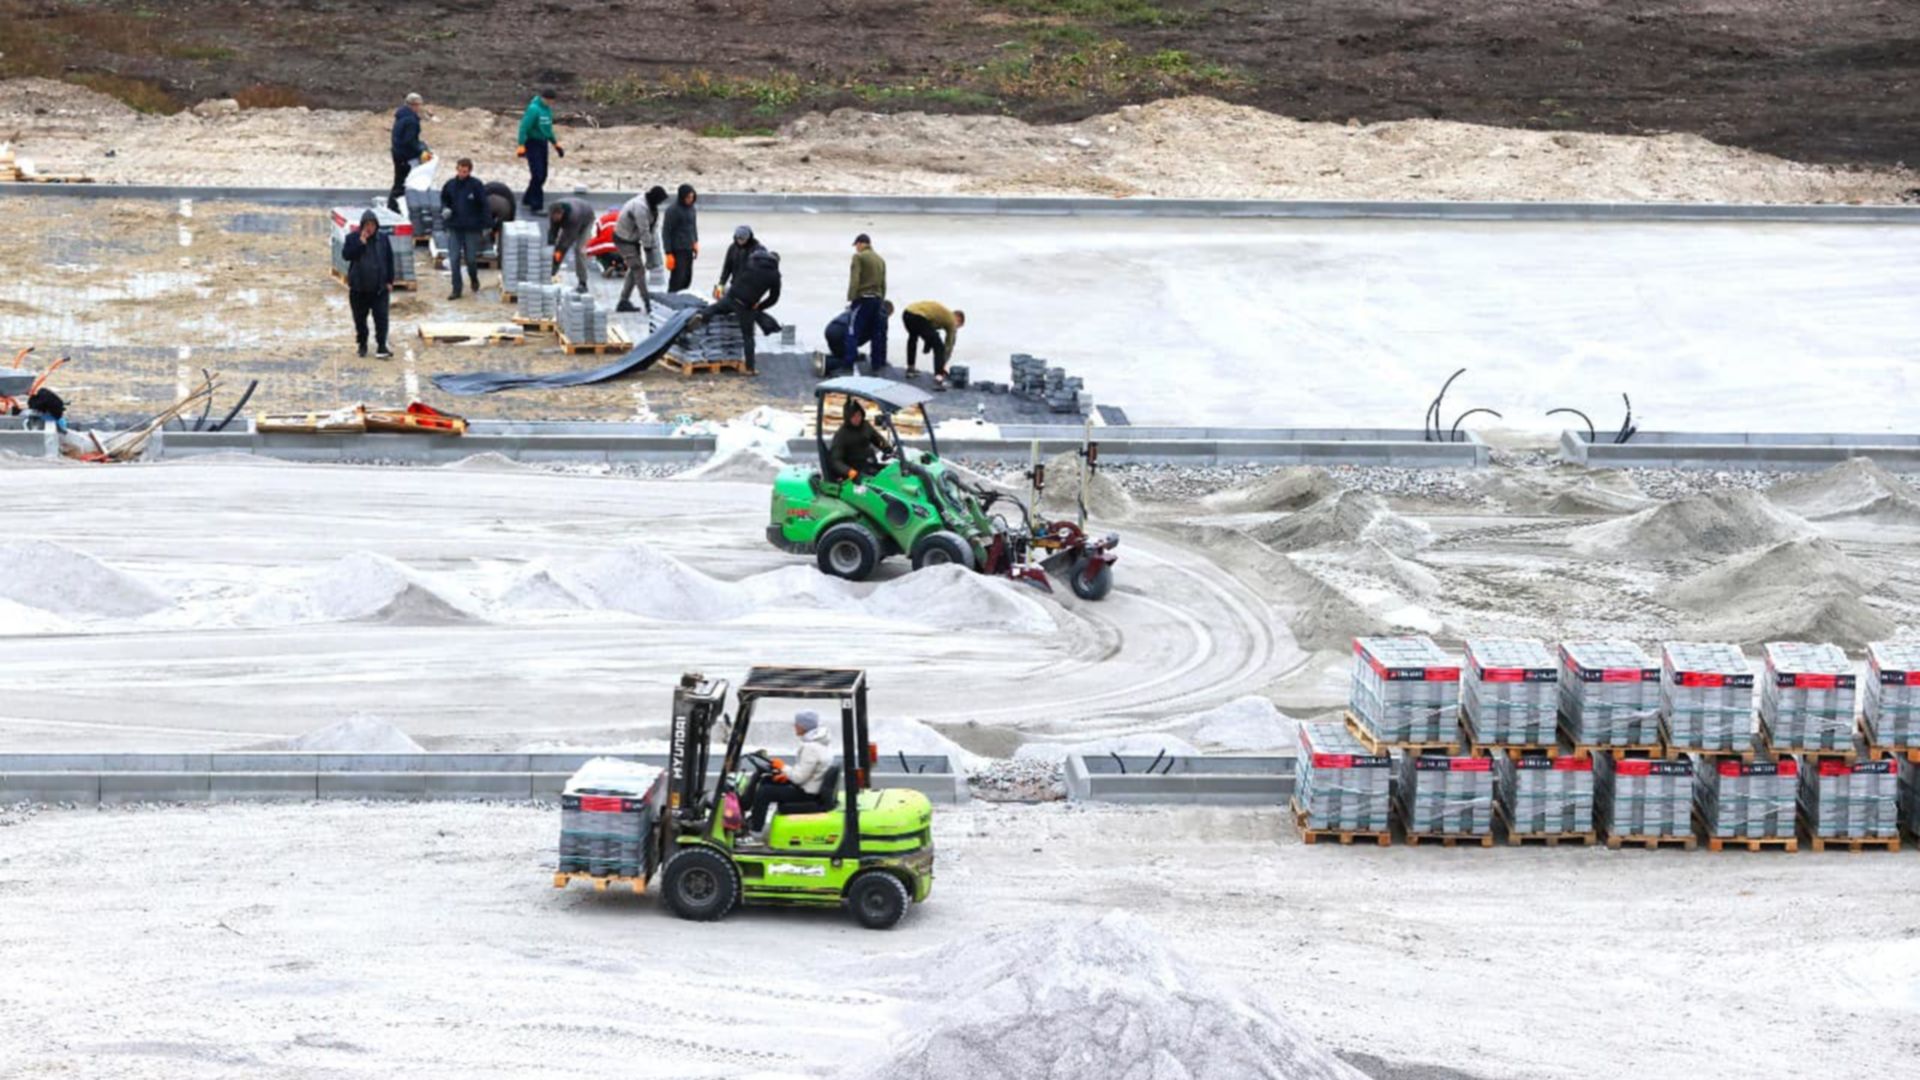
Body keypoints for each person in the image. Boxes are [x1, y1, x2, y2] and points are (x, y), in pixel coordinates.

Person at [744, 710, 835, 841]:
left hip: (807, 793)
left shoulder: (811, 748)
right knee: (767, 780)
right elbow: (806, 771)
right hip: (810, 786)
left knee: (764, 792)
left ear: (803, 726)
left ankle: (755, 832)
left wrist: (782, 766)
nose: (795, 726)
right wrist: (786, 775)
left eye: (797, 724)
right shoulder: (819, 744)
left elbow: (798, 778)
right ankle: (755, 820)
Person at [687, 246, 780, 373]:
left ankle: (702, 315)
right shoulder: (774, 275)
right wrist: (760, 306)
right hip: (746, 306)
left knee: (715, 308)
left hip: (732, 295)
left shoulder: (752, 262)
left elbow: (737, 273)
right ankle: (750, 368)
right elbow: (774, 298)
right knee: (748, 336)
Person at [341, 209, 394, 358]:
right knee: (360, 320)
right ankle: (362, 344)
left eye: (372, 225)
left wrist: (390, 280)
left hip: (379, 288)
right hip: (359, 289)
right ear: (362, 225)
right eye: (367, 225)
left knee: (382, 319)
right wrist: (360, 243)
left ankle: (381, 346)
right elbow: (346, 255)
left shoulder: (383, 239)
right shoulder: (352, 238)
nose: (370, 228)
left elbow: (389, 260)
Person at [613, 185, 667, 313]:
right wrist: (648, 250)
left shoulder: (652, 207)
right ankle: (647, 302)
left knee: (634, 270)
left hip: (632, 239)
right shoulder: (640, 207)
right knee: (638, 270)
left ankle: (623, 301)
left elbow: (652, 229)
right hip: (624, 239)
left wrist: (652, 250)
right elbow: (644, 230)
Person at [439, 158, 488, 300]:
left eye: (465, 172)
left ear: (470, 171)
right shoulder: (450, 185)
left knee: (471, 259)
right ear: (457, 169)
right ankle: (456, 289)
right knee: (454, 259)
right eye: (460, 171)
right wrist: (445, 209)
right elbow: (444, 200)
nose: (462, 174)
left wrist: (486, 225)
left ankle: (474, 278)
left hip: (471, 228)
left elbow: (484, 206)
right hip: (454, 227)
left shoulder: (476, 186)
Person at [844, 233, 888, 373]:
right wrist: (881, 300)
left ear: (861, 243)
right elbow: (883, 284)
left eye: (856, 245)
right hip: (877, 299)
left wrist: (852, 298)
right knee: (876, 333)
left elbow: (855, 279)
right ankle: (876, 364)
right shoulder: (880, 260)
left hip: (863, 299)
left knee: (852, 331)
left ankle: (849, 364)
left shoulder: (858, 257)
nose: (856, 248)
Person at [516, 90, 564, 213]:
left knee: (543, 175)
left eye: (552, 101)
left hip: (543, 143)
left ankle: (528, 198)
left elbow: (548, 129)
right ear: (544, 98)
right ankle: (536, 206)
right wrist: (521, 145)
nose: (550, 103)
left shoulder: (547, 110)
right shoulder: (534, 109)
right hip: (532, 143)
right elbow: (524, 127)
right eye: (549, 101)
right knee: (537, 174)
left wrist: (555, 144)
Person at [902, 301, 966, 389]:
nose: (956, 329)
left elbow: (928, 329)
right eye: (958, 326)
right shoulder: (951, 320)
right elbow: (949, 345)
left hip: (907, 313)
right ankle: (939, 378)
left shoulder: (942, 315)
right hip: (918, 317)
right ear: (958, 319)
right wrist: (942, 365)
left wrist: (927, 346)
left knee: (913, 337)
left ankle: (910, 369)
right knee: (939, 347)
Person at [821, 301, 893, 376]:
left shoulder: (861, 305)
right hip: (842, 333)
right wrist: (880, 362)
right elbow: (880, 340)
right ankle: (828, 363)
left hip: (830, 329)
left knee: (842, 354)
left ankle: (828, 360)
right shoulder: (881, 315)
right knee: (851, 360)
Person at [827, 399, 891, 483]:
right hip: (853, 469)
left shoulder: (865, 426)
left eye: (859, 415)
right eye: (854, 416)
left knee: (890, 472)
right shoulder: (841, 435)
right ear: (848, 417)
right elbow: (836, 461)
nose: (857, 418)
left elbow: (877, 439)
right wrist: (850, 472)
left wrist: (886, 447)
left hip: (867, 463)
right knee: (882, 480)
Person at [546, 196, 597, 293]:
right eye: (552, 217)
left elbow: (566, 242)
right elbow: (553, 231)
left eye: (556, 217)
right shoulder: (553, 212)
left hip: (586, 219)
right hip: (578, 211)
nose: (554, 219)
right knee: (558, 249)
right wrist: (551, 245)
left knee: (579, 250)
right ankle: (552, 273)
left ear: (561, 213)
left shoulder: (573, 217)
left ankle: (582, 282)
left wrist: (557, 254)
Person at [388, 92, 427, 213]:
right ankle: (394, 207)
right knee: (402, 183)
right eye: (419, 105)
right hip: (405, 156)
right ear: (414, 105)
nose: (420, 107)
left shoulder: (401, 116)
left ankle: (393, 206)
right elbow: (410, 141)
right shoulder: (411, 120)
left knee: (399, 180)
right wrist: (422, 149)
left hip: (397, 153)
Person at [662, 183, 698, 292]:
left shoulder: (692, 209)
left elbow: (693, 226)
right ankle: (672, 297)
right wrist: (668, 253)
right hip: (677, 250)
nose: (690, 200)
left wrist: (695, 242)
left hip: (688, 248)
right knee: (678, 279)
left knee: (687, 278)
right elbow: (666, 232)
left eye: (692, 197)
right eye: (688, 197)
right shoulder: (672, 210)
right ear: (682, 197)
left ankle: (683, 296)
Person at [715, 224, 762, 294]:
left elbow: (762, 271)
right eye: (738, 238)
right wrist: (721, 283)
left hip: (751, 287)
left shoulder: (758, 249)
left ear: (748, 238)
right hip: (735, 285)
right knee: (719, 292)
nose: (740, 241)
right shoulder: (732, 248)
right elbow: (727, 268)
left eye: (743, 239)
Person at [483, 179, 516, 251]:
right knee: (503, 227)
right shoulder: (508, 196)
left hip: (487, 199)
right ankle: (498, 244)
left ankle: (482, 242)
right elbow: (510, 218)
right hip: (505, 203)